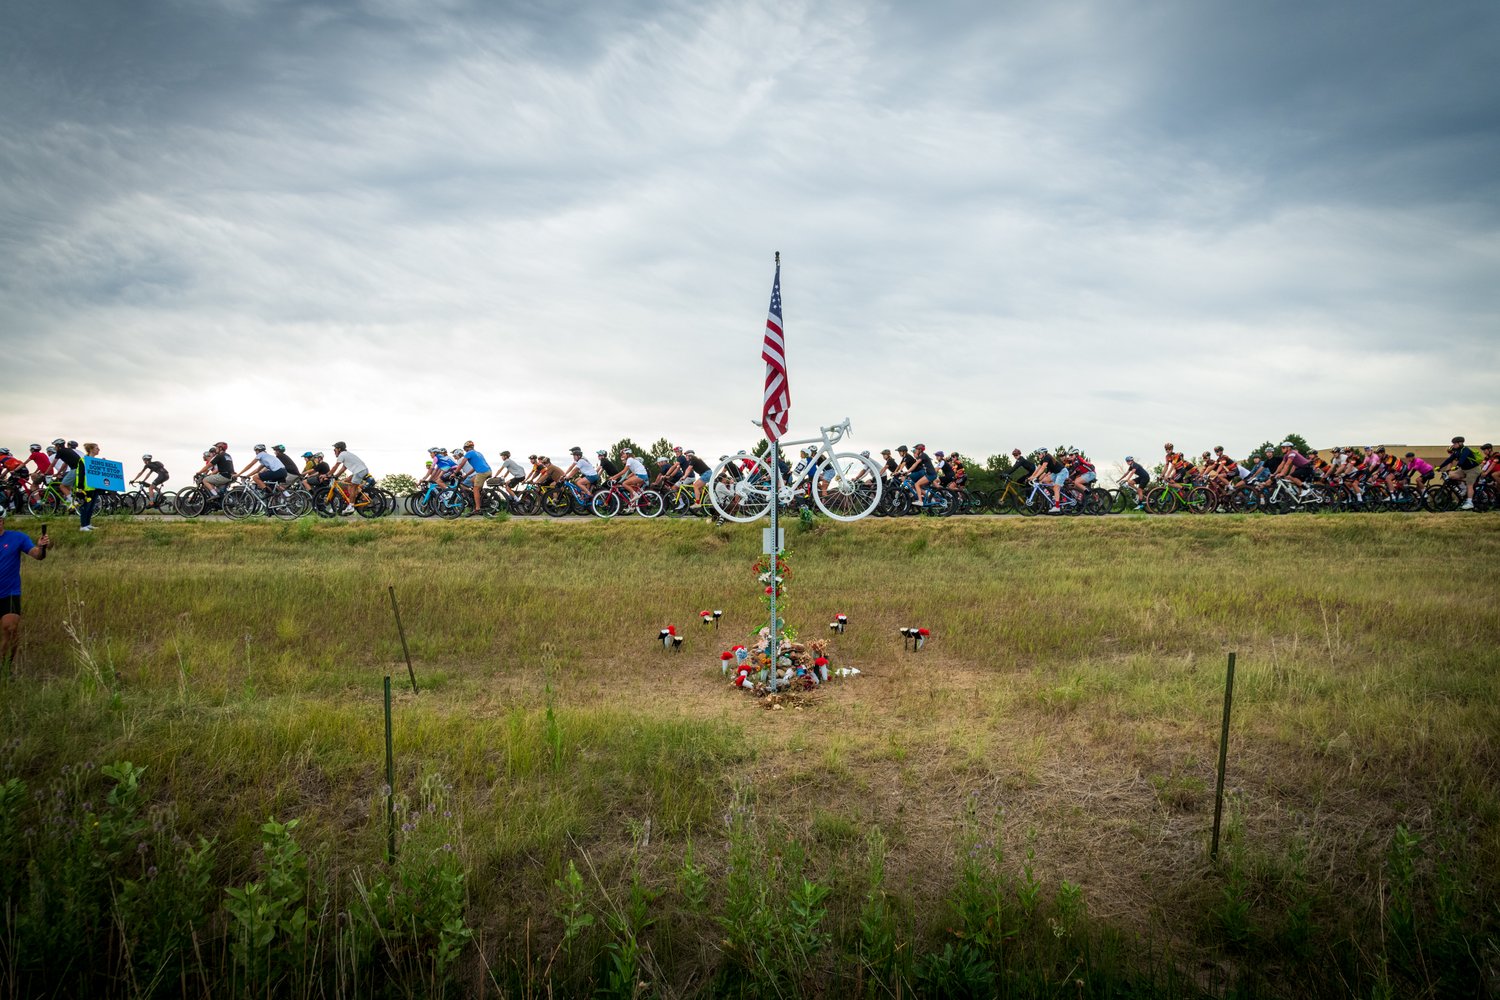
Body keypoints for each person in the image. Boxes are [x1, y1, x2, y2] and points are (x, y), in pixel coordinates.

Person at [1, 509, 51, 676]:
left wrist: (41, 547)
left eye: (0, 518)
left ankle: (5, 669)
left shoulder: (17, 537)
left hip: (10, 592)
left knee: (11, 628)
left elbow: (37, 555)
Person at [1436, 436, 1483, 510]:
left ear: (1460, 443)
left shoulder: (1465, 450)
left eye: (1455, 443)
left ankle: (1470, 503)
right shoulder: (1456, 451)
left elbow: (1462, 459)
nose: (1453, 445)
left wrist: (1457, 466)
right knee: (1451, 476)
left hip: (1473, 469)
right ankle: (1463, 489)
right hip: (1464, 469)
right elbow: (1449, 459)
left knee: (1469, 485)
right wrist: (1440, 467)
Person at [327, 442, 373, 514]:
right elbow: (343, 468)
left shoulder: (342, 454)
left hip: (359, 471)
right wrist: (336, 476)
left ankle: (351, 506)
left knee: (352, 486)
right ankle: (357, 498)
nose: (334, 451)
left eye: (335, 449)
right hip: (362, 470)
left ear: (339, 449)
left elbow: (336, 466)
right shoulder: (347, 454)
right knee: (348, 483)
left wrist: (327, 474)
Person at [75, 442, 102, 531]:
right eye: (96, 448)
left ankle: (88, 523)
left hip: (95, 487)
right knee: (85, 506)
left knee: (91, 507)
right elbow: (80, 474)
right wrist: (79, 487)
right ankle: (83, 526)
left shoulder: (97, 462)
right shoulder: (83, 460)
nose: (98, 450)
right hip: (86, 487)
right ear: (91, 450)